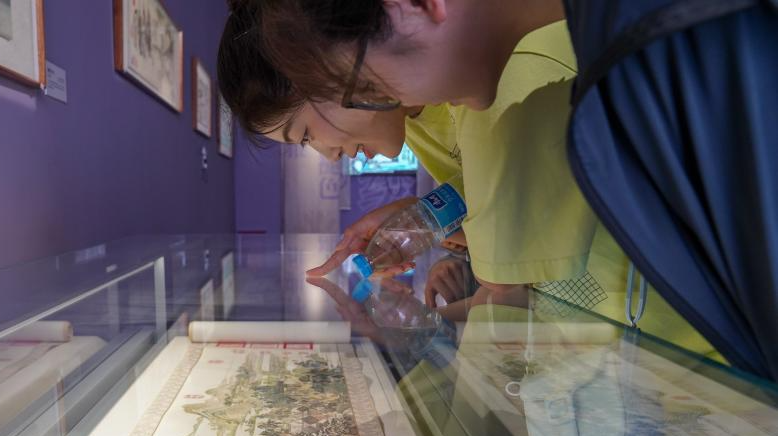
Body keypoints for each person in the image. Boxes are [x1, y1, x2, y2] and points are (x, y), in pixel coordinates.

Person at [238, 0, 778, 378]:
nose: (387, 100)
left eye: (366, 87)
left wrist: (420, 330)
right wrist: (434, 219)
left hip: (682, 352)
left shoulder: (533, 75)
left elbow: (506, 301)